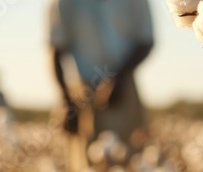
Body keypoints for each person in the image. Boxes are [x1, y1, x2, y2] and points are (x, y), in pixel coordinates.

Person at [49, 0, 154, 142]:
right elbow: (56, 49)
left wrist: (119, 77)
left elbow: (145, 40)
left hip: (123, 89)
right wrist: (66, 101)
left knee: (129, 153)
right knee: (85, 157)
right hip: (80, 92)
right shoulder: (63, 2)